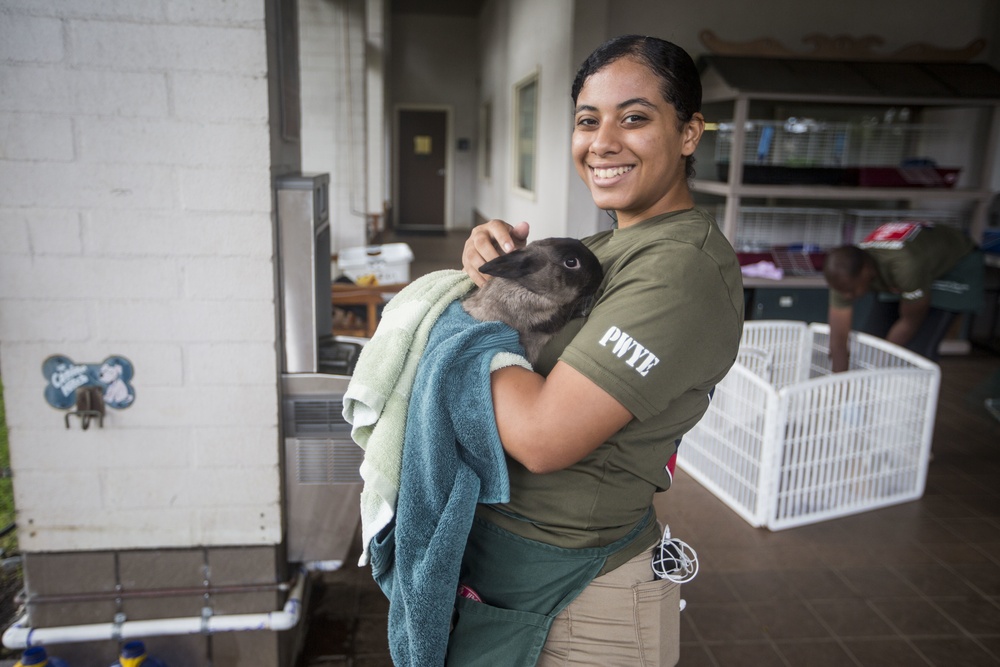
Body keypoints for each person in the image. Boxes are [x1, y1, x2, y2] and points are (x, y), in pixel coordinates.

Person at [452, 34, 744, 666]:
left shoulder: (679, 270)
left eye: (635, 118)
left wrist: (479, 318)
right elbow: (526, 340)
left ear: (690, 133)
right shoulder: (607, 248)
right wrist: (492, 269)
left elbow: (540, 437)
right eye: (588, 121)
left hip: (582, 600)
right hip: (514, 574)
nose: (602, 142)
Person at [824, 221, 980, 372]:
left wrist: (877, 366)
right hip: (906, 270)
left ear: (866, 272)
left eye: (850, 290)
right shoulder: (842, 274)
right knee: (870, 343)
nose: (846, 295)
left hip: (955, 262)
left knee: (915, 354)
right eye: (841, 290)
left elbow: (910, 321)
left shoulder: (905, 266)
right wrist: (840, 381)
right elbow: (838, 339)